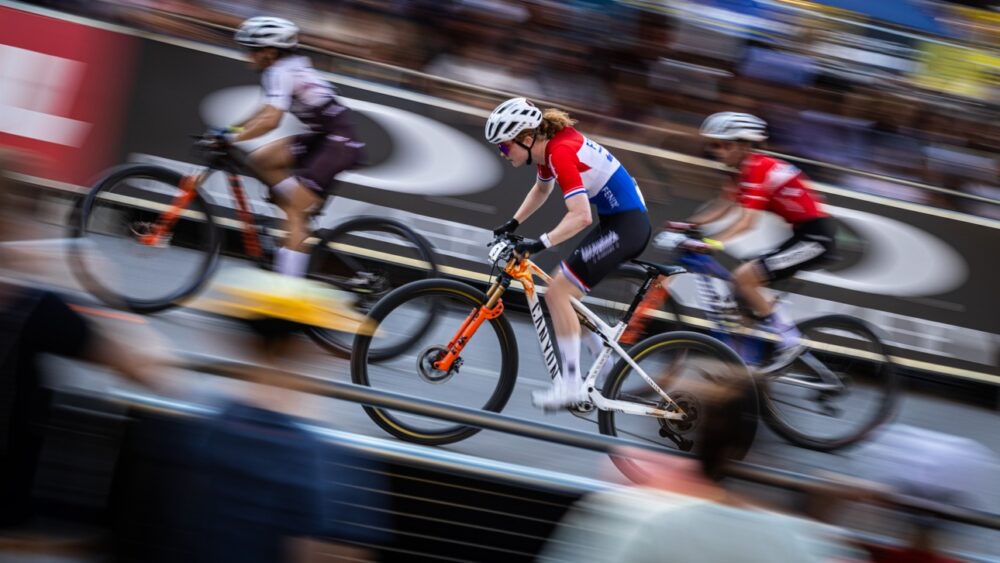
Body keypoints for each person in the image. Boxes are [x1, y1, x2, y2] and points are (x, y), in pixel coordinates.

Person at [485, 97, 651, 410]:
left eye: (505, 147)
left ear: (525, 137)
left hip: (626, 227)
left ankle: (571, 386)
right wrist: (513, 223)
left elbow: (581, 216)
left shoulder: (560, 152)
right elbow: (541, 191)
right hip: (618, 221)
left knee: (558, 292)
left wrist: (537, 244)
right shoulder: (548, 147)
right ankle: (597, 347)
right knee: (564, 290)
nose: (503, 153)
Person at [686, 112, 837, 367]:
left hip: (816, 238)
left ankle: (791, 342)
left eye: (725, 144)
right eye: (714, 145)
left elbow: (747, 221)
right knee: (740, 288)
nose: (718, 151)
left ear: (745, 145)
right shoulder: (741, 171)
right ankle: (745, 363)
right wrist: (688, 225)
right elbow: (723, 206)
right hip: (800, 234)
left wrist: (713, 243)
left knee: (744, 277)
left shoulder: (758, 168)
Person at [227, 16, 365, 278]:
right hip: (322, 137)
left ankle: (287, 285)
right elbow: (264, 111)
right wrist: (229, 130)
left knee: (293, 212)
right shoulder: (280, 68)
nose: (248, 58)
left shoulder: (281, 71)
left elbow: (271, 122)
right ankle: (299, 206)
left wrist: (230, 139)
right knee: (261, 160)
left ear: (269, 52)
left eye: (251, 51)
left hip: (338, 144)